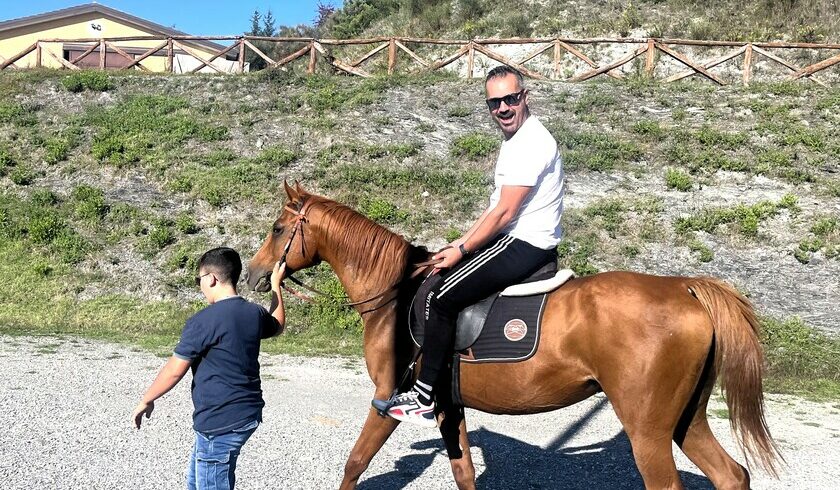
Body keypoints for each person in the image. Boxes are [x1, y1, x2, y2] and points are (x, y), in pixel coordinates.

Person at [386, 66, 565, 428]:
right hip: (514, 235)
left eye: (510, 99)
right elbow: (495, 208)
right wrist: (460, 241)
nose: (503, 108)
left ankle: (423, 396)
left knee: (442, 296)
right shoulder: (516, 140)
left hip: (525, 242)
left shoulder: (532, 142)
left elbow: (505, 212)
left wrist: (463, 250)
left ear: (525, 98)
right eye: (494, 102)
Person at [131, 247, 286, 489]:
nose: (200, 285)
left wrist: (147, 399)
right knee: (197, 480)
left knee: (210, 479)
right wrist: (276, 285)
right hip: (246, 415)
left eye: (198, 280)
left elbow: (174, 370)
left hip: (220, 423)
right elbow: (277, 325)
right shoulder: (253, 312)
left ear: (211, 279)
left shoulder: (202, 322)